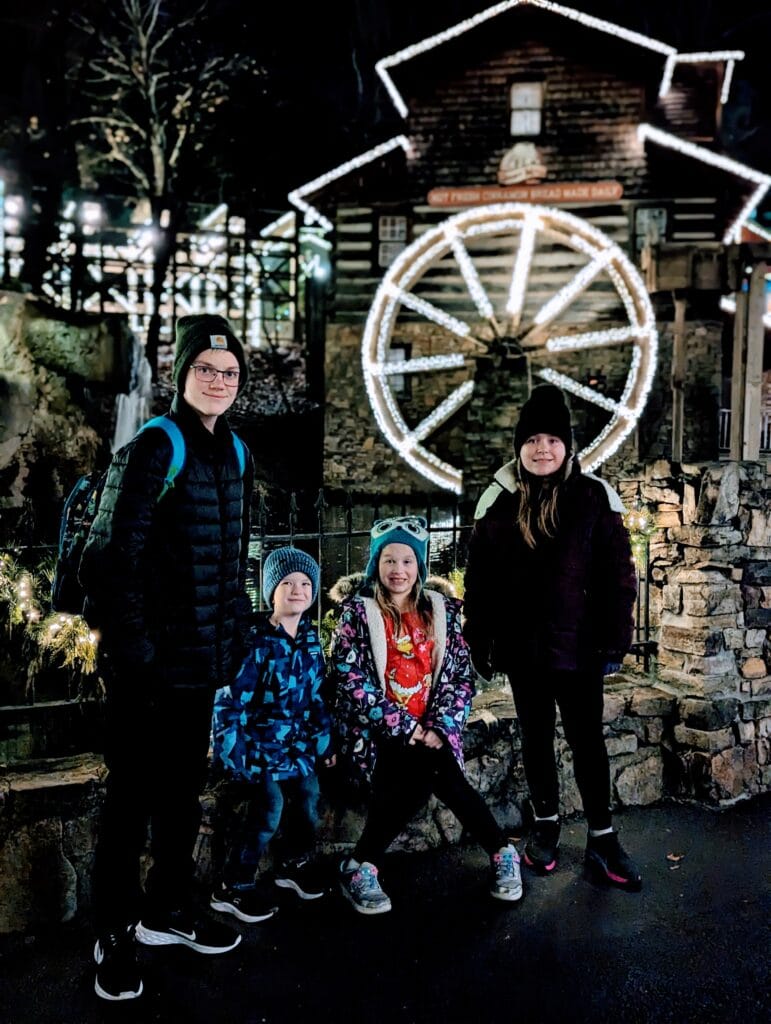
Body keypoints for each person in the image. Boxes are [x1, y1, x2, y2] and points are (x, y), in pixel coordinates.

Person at [79, 314, 254, 1001]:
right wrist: (139, 652)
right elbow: (110, 559)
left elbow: (232, 555)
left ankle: (167, 910)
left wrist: (232, 636)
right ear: (182, 375)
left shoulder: (236, 454)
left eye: (229, 373)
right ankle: (113, 934)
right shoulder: (157, 447)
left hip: (199, 665)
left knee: (181, 794)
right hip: (146, 669)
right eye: (206, 370)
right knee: (129, 802)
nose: (218, 381)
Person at [463, 384, 642, 892]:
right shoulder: (497, 501)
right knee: (536, 740)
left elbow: (619, 578)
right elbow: (480, 581)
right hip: (524, 650)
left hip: (581, 649)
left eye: (553, 440)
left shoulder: (593, 498)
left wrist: (615, 640)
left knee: (588, 743)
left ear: (568, 447)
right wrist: (481, 639)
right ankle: (545, 826)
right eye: (533, 439)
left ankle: (603, 839)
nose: (543, 448)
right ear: (519, 446)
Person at [330, 515, 522, 915]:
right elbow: (352, 679)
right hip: (378, 731)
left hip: (431, 729)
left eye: (407, 561)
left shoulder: (441, 612)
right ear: (375, 565)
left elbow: (458, 678)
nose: (398, 570)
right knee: (428, 773)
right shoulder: (356, 614)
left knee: (430, 769)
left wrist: (439, 726)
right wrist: (406, 728)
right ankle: (502, 850)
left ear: (419, 566)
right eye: (389, 560)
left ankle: (360, 865)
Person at [209, 546, 335, 921]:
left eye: (305, 583)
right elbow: (231, 702)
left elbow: (315, 697)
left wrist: (323, 739)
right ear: (271, 592)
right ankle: (234, 884)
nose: (297, 589)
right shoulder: (257, 644)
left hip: (297, 747)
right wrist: (232, 752)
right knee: (268, 811)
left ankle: (293, 865)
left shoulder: (311, 642)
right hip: (261, 748)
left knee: (309, 799)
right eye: (286, 583)